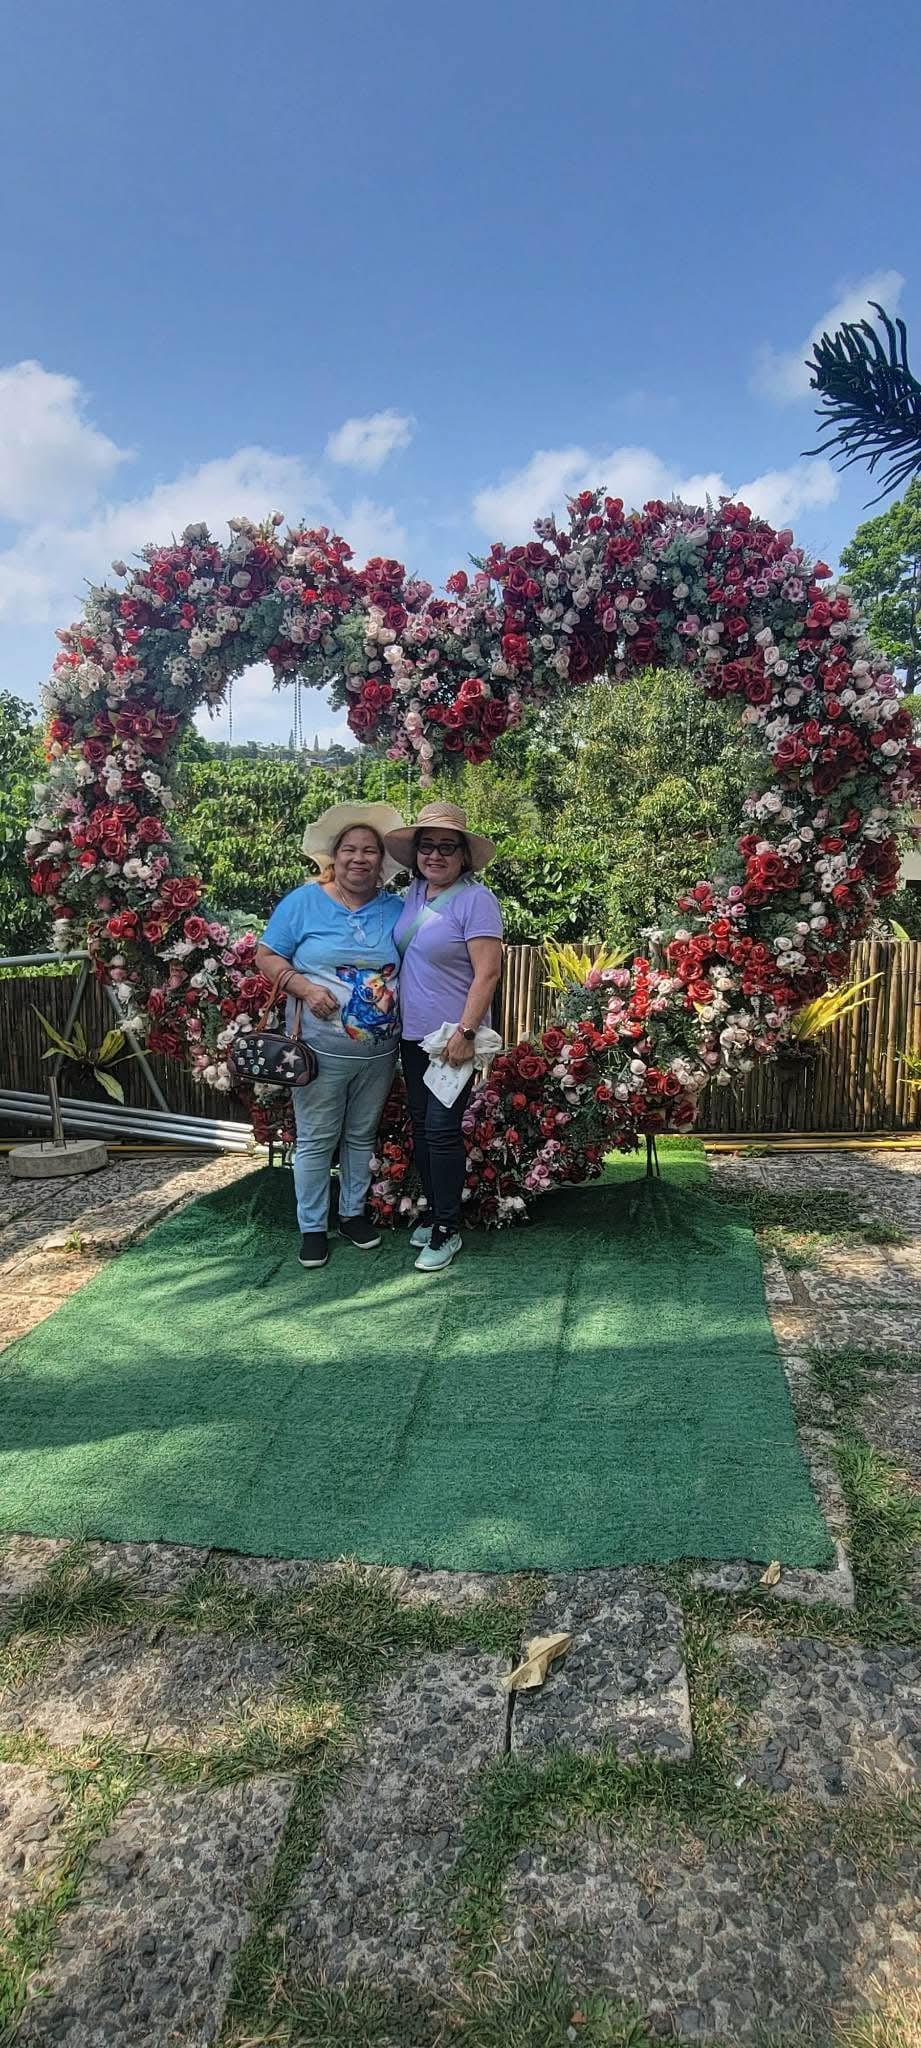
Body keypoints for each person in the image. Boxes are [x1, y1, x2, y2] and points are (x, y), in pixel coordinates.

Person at [255, 802, 405, 1270]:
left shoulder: (396, 910)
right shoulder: (303, 902)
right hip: (319, 1051)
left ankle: (353, 1215)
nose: (359, 859)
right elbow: (266, 955)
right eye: (349, 850)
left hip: (380, 1053)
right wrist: (302, 986)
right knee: (318, 1139)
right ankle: (313, 1227)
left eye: (369, 851)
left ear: (382, 861)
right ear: (333, 856)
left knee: (361, 1136)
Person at [385, 803, 503, 1273]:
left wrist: (467, 1031)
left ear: (464, 857)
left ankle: (447, 1228)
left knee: (441, 1129)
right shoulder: (413, 894)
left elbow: (488, 972)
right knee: (421, 1125)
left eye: (446, 847)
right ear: (416, 853)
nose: (435, 855)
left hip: (452, 1038)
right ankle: (435, 1211)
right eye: (427, 845)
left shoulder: (476, 900)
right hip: (413, 1036)